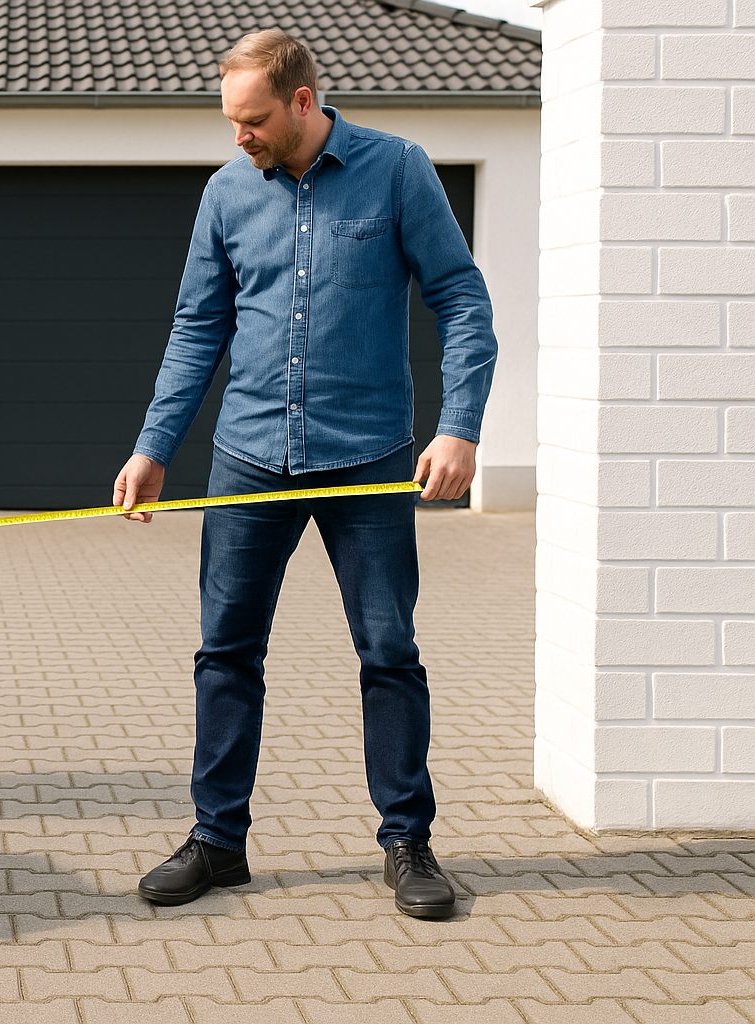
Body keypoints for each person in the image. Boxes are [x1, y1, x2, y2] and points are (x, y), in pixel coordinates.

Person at [112, 30, 497, 920]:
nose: (238, 137)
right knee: (226, 654)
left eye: (252, 121)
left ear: (301, 101)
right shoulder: (224, 192)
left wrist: (461, 428)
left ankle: (408, 842)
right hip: (249, 460)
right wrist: (154, 444)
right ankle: (218, 842)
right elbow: (196, 327)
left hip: (368, 462)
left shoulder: (398, 170)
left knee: (388, 651)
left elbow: (463, 301)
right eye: (229, 122)